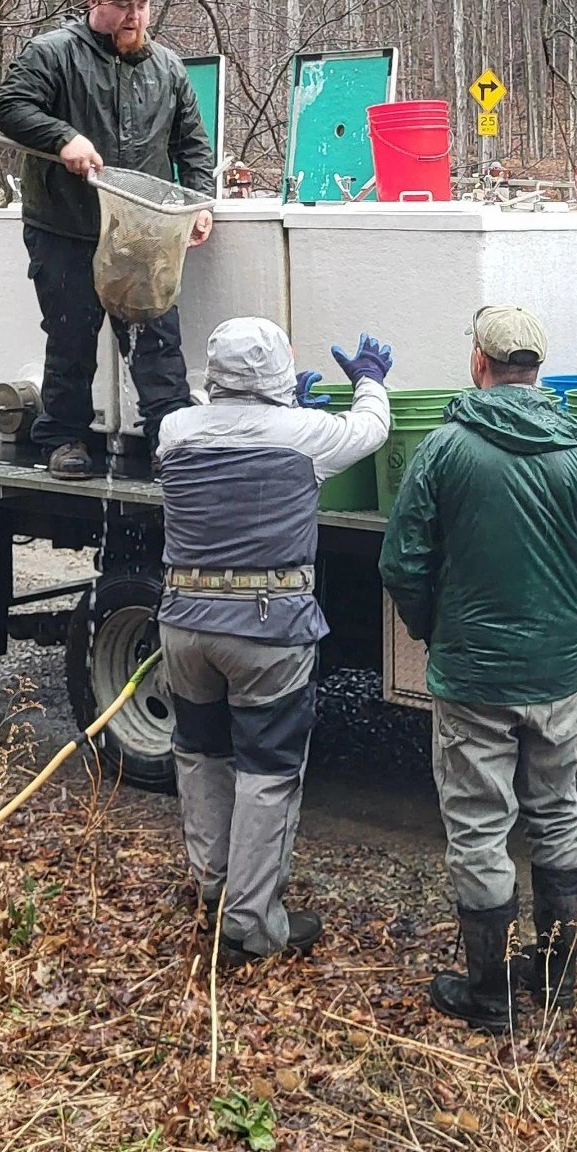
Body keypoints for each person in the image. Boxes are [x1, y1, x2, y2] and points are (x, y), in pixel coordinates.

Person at [378, 305, 577, 1032]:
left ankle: (490, 997)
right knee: (557, 812)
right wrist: (567, 617)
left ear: (479, 363)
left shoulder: (444, 449)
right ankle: (556, 980)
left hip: (471, 677)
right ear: (537, 370)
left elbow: (401, 562)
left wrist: (433, 627)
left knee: (478, 826)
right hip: (557, 674)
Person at [157, 318, 392, 962]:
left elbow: (218, 420)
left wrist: (283, 405)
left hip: (183, 624)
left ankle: (213, 890)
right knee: (267, 771)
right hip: (266, 628)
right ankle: (251, 925)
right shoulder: (304, 435)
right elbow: (371, 428)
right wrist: (369, 380)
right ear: (278, 372)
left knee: (200, 756)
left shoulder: (175, 430)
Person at [0, 0, 215, 478]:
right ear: (95, 2)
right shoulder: (53, 52)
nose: (134, 15)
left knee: (157, 338)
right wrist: (62, 137)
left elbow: (192, 145)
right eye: (122, 4)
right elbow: (9, 108)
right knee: (70, 337)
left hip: (142, 230)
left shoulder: (168, 68)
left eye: (142, 4)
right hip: (64, 225)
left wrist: (201, 203)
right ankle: (64, 439)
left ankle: (169, 439)